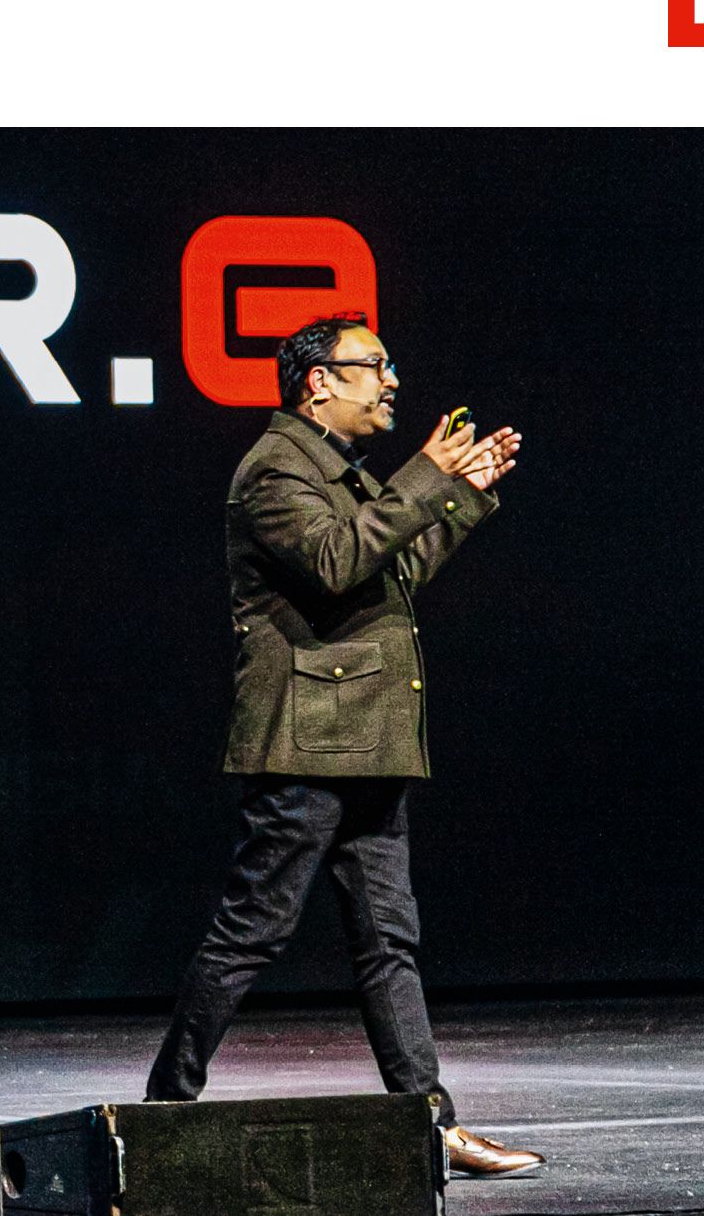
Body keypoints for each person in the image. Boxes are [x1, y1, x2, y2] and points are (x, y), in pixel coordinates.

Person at [143, 311, 544, 1179]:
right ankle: (160, 1115)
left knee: (389, 941)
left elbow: (391, 572)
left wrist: (460, 495)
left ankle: (430, 1126)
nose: (391, 380)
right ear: (319, 380)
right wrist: (425, 476)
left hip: (365, 738)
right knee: (252, 931)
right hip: (305, 744)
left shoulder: (342, 470)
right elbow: (334, 560)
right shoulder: (275, 468)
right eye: (374, 365)